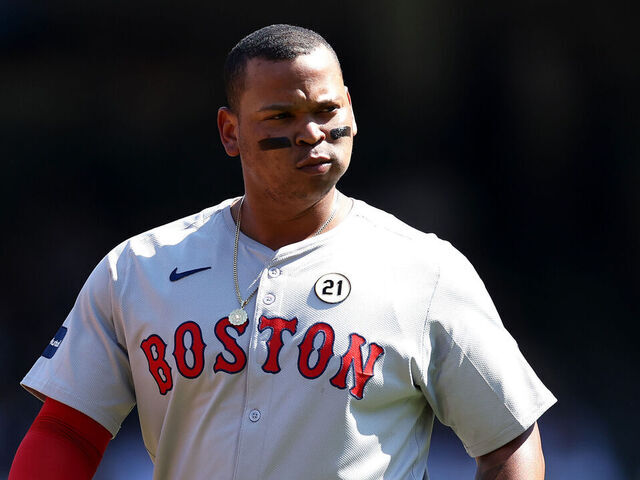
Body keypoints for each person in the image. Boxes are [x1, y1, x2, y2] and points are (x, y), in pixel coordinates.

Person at [10, 24, 556, 480]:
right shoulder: (139, 267)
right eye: (281, 117)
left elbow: (508, 440)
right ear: (230, 132)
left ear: (352, 115)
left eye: (326, 110)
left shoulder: (425, 269)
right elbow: (67, 429)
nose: (312, 133)